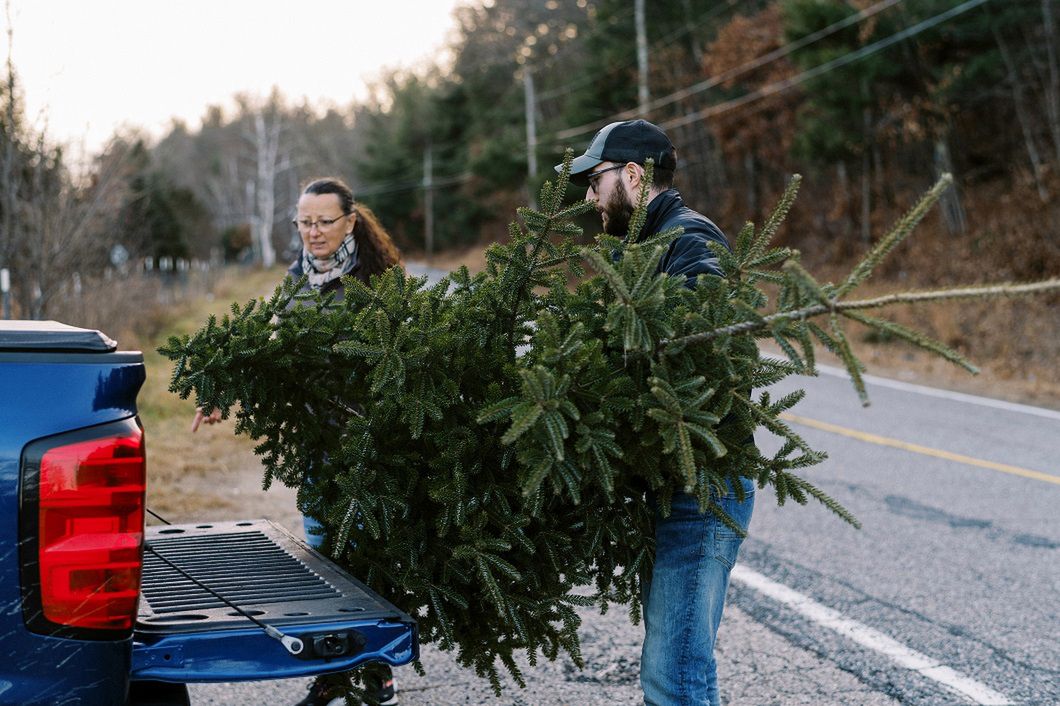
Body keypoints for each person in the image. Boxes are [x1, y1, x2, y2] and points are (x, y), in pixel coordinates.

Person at [556, 119, 755, 706]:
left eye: (596, 181)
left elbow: (704, 353)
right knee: (671, 670)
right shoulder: (652, 246)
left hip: (703, 487)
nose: (589, 197)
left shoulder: (690, 243)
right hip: (673, 483)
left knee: (677, 678)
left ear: (633, 175)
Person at [192, 176, 402, 706]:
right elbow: (268, 347)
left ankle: (375, 675)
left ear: (350, 222)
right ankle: (334, 672)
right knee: (325, 559)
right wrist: (223, 391)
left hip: (366, 444)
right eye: (303, 222)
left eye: (323, 221)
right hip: (316, 445)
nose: (312, 232)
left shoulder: (378, 281)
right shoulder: (296, 279)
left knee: (366, 556)